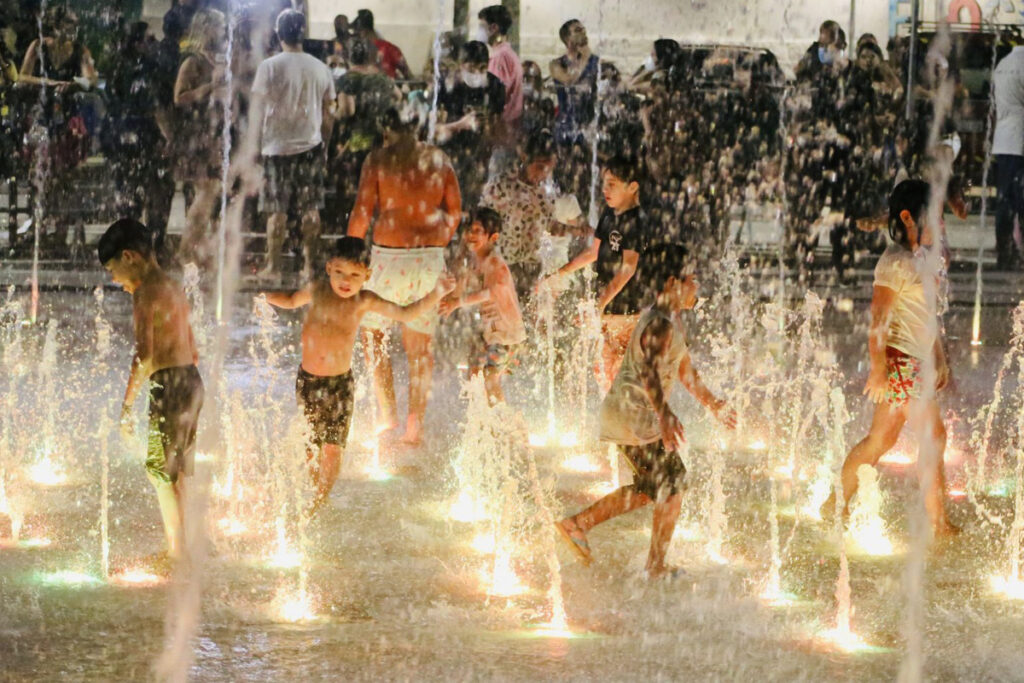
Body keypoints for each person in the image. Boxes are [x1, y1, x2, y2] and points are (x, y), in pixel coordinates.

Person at [555, 244, 735, 578]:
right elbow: (651, 371)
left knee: (649, 488)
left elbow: (684, 370)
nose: (697, 287)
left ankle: (577, 525)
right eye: (692, 280)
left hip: (629, 414)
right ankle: (655, 566)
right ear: (672, 282)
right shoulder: (659, 324)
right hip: (633, 415)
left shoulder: (665, 319)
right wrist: (665, 414)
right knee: (673, 484)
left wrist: (713, 403)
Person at [261, 237, 454, 514]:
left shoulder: (364, 301)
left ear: (367, 275)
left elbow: (404, 313)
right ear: (329, 268)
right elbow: (291, 301)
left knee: (333, 448)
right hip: (308, 382)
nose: (346, 280)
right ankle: (313, 491)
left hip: (340, 386)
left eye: (354, 275)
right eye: (340, 272)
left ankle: (319, 500)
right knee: (310, 445)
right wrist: (264, 296)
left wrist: (437, 293)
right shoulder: (317, 290)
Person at [822, 180, 959, 536]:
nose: (940, 226)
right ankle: (938, 523)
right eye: (935, 218)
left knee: (881, 440)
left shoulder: (921, 260)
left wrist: (939, 355)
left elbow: (927, 314)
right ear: (908, 219)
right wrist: (878, 370)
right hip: (901, 363)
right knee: (933, 437)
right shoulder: (894, 264)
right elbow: (878, 321)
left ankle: (834, 502)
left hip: (914, 361)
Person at [347, 108, 462, 446]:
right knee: (420, 349)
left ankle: (387, 415)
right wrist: (437, 240)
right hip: (428, 258)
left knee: (373, 337)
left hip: (389, 256)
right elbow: (455, 212)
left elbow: (362, 212)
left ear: (387, 130)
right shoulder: (439, 158)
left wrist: (350, 257)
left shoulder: (379, 159)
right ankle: (414, 428)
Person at [98, 218, 204, 568]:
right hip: (191, 381)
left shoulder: (145, 292)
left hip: (170, 386)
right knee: (177, 472)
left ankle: (178, 556)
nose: (115, 281)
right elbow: (194, 348)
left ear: (129, 257)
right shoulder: (173, 286)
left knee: (160, 471)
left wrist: (126, 406)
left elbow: (143, 356)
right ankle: (183, 545)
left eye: (113, 270)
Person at [539, 156, 651, 389]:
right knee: (603, 369)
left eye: (612, 184)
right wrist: (561, 273)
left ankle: (633, 418)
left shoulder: (636, 221)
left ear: (632, 187)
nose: (605, 189)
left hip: (625, 308)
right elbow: (593, 253)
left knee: (624, 371)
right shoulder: (609, 216)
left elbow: (628, 269)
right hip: (606, 307)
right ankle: (613, 418)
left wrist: (599, 304)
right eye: (604, 183)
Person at [249, 9, 335, 279]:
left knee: (277, 211)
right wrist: (326, 145)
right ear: (303, 33)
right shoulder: (320, 68)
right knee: (311, 209)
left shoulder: (269, 66)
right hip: (310, 146)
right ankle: (310, 266)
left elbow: (257, 111)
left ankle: (273, 267)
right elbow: (328, 113)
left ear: (278, 33)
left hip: (275, 148)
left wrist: (253, 147)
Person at [439, 208, 526, 404]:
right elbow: (458, 289)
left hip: (507, 336)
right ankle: (486, 421)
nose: (471, 235)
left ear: (493, 237)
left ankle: (503, 425)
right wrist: (446, 296)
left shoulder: (495, 262)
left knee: (490, 375)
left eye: (478, 231)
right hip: (492, 334)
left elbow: (491, 293)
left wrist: (457, 303)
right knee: (476, 371)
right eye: (469, 229)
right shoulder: (474, 262)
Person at [105, 22, 176, 262]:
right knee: (158, 192)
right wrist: (169, 138)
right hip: (145, 138)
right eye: (149, 39)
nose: (154, 43)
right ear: (138, 44)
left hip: (121, 139)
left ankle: (129, 249)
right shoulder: (147, 70)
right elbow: (156, 107)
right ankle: (154, 248)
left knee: (128, 196)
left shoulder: (118, 68)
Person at [173, 8, 228, 267]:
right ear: (206, 29)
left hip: (214, 135)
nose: (223, 31)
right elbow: (179, 97)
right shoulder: (192, 62)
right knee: (206, 193)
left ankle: (194, 250)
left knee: (208, 194)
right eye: (219, 26)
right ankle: (185, 250)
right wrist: (209, 88)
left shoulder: (216, 59)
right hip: (197, 136)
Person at [328, 37, 398, 230]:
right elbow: (399, 97)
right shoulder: (382, 77)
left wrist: (332, 111)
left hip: (357, 143)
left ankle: (356, 234)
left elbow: (347, 110)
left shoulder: (348, 79)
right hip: (382, 141)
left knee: (357, 191)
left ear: (349, 57)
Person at [479, 128, 557, 302]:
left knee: (527, 323)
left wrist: (580, 231)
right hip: (502, 265)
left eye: (549, 168)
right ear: (524, 158)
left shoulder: (548, 193)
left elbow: (550, 227)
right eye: (539, 167)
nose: (543, 174)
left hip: (533, 267)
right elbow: (480, 225)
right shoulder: (501, 186)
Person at [436, 40, 506, 207]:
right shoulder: (447, 86)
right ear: (460, 65)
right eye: (471, 69)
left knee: (474, 204)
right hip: (450, 154)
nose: (476, 74)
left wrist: (488, 126)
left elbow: (498, 127)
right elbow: (435, 130)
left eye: (482, 68)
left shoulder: (495, 86)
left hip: (480, 158)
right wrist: (461, 124)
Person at [549, 19, 599, 212]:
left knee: (585, 181)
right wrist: (586, 58)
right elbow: (569, 80)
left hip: (587, 131)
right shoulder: (556, 64)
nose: (583, 32)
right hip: (564, 132)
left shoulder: (595, 63)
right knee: (564, 181)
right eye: (577, 30)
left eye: (583, 29)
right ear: (567, 38)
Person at [992, 43, 1024, 270]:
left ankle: (1004, 253)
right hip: (1020, 138)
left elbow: (995, 106)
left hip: (1002, 140)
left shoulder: (1002, 65)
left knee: (1004, 201)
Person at [477, 5, 523, 128]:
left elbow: (495, 97)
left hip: (501, 128)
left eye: (482, 26)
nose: (479, 31)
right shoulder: (505, 54)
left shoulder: (500, 57)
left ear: (494, 28)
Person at [351, 9, 412, 81]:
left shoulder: (388, 49)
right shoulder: (390, 48)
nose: (354, 37)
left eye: (356, 34)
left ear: (364, 31)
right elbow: (408, 75)